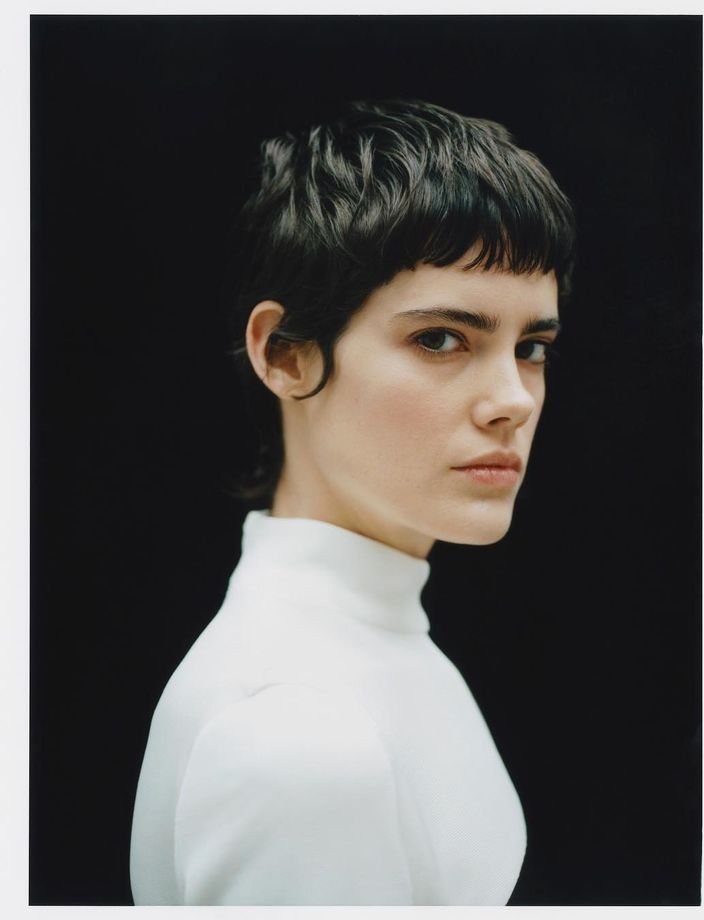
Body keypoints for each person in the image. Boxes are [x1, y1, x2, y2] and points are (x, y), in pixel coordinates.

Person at [129, 98, 575, 906]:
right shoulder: (295, 735)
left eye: (532, 347)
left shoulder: (368, 653)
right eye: (441, 339)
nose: (513, 398)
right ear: (286, 354)